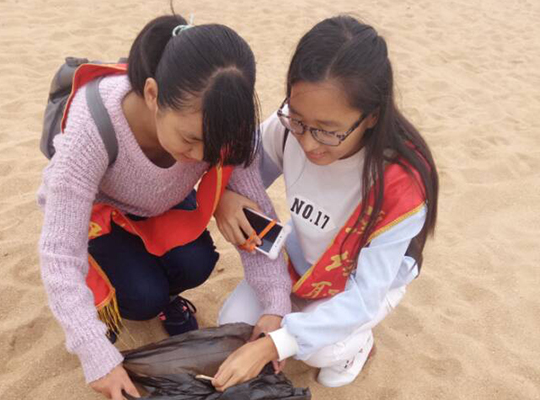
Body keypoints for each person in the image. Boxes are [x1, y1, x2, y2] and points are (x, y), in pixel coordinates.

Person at [37, 14, 290, 400]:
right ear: (153, 95)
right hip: (102, 216)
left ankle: (165, 299)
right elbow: (59, 253)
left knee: (197, 261)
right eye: (190, 139)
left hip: (160, 207)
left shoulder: (221, 122)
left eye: (212, 146)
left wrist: (275, 306)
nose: (201, 157)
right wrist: (94, 353)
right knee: (142, 295)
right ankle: (133, 296)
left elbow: (258, 216)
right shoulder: (92, 130)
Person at [213, 14, 439, 391]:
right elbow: (241, 166)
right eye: (299, 120)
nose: (307, 142)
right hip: (302, 258)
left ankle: (358, 347)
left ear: (372, 116)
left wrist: (275, 343)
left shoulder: (401, 185)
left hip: (359, 282)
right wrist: (223, 197)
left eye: (328, 131)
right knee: (232, 326)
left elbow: (365, 297)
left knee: (318, 352)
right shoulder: (290, 128)